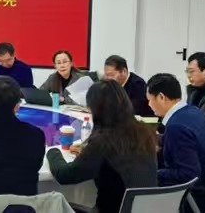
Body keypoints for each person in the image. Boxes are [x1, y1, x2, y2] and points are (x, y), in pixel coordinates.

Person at [47, 80, 157, 213]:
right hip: (144, 209)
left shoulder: (103, 141)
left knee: (55, 203)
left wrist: (53, 152)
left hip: (112, 209)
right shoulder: (145, 133)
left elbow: (65, 175)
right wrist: (88, 152)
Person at [147, 73, 205, 212]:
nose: (149, 104)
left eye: (149, 100)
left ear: (161, 97)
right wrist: (159, 139)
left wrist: (152, 173)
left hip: (195, 198)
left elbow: (188, 174)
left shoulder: (176, 127)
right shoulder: (193, 111)